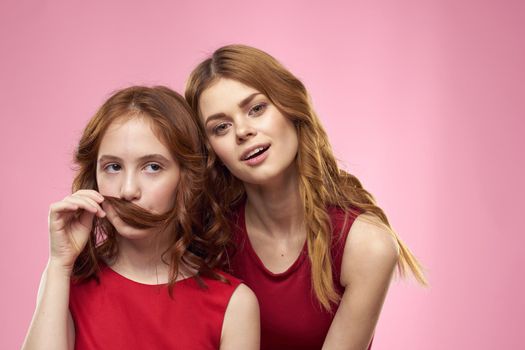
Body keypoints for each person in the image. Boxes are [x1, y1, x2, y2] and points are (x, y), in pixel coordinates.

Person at [185, 45, 427, 350]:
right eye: (221, 127)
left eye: (256, 109)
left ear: (290, 106)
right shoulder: (206, 233)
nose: (243, 131)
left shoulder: (366, 245)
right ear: (211, 152)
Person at [22, 86, 260, 350]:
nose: (127, 191)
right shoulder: (66, 284)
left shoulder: (233, 305)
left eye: (152, 167)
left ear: (187, 178)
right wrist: (59, 265)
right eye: (113, 167)